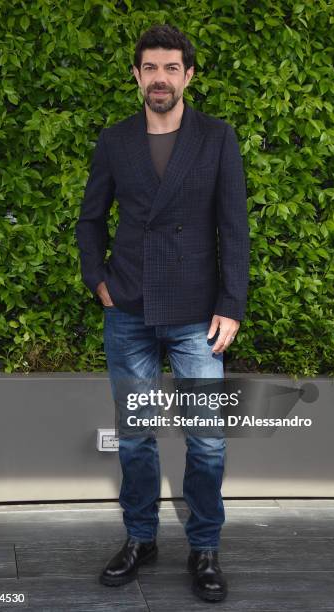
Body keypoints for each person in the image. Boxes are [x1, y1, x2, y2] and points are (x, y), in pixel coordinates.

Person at [75, 24, 249, 603]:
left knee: (206, 442)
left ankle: (204, 548)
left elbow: (233, 228)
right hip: (128, 309)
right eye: (151, 68)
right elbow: (90, 219)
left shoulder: (218, 137)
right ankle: (140, 538)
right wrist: (98, 281)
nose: (160, 78)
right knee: (136, 438)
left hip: (198, 314)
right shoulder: (115, 140)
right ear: (136, 75)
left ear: (188, 76)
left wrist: (232, 304)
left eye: (171, 68)